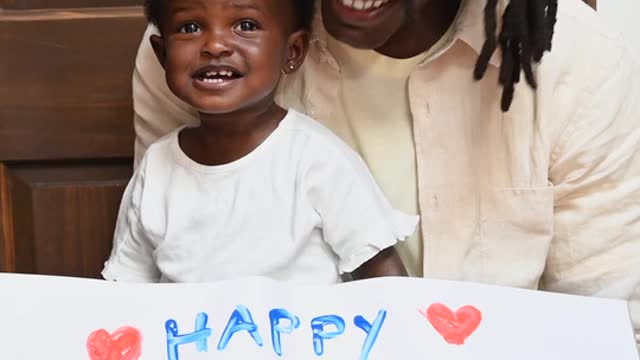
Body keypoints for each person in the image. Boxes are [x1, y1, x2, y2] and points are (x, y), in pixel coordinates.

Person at [132, 0, 640, 343]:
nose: (215, 41)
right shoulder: (198, 52)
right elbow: (161, 258)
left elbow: (603, 316)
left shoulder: (575, 57)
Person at [102, 0, 417, 284]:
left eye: (246, 26)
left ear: (292, 51)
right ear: (162, 54)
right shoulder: (157, 168)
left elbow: (385, 283)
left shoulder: (319, 160)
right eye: (191, 27)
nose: (215, 45)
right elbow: (127, 292)